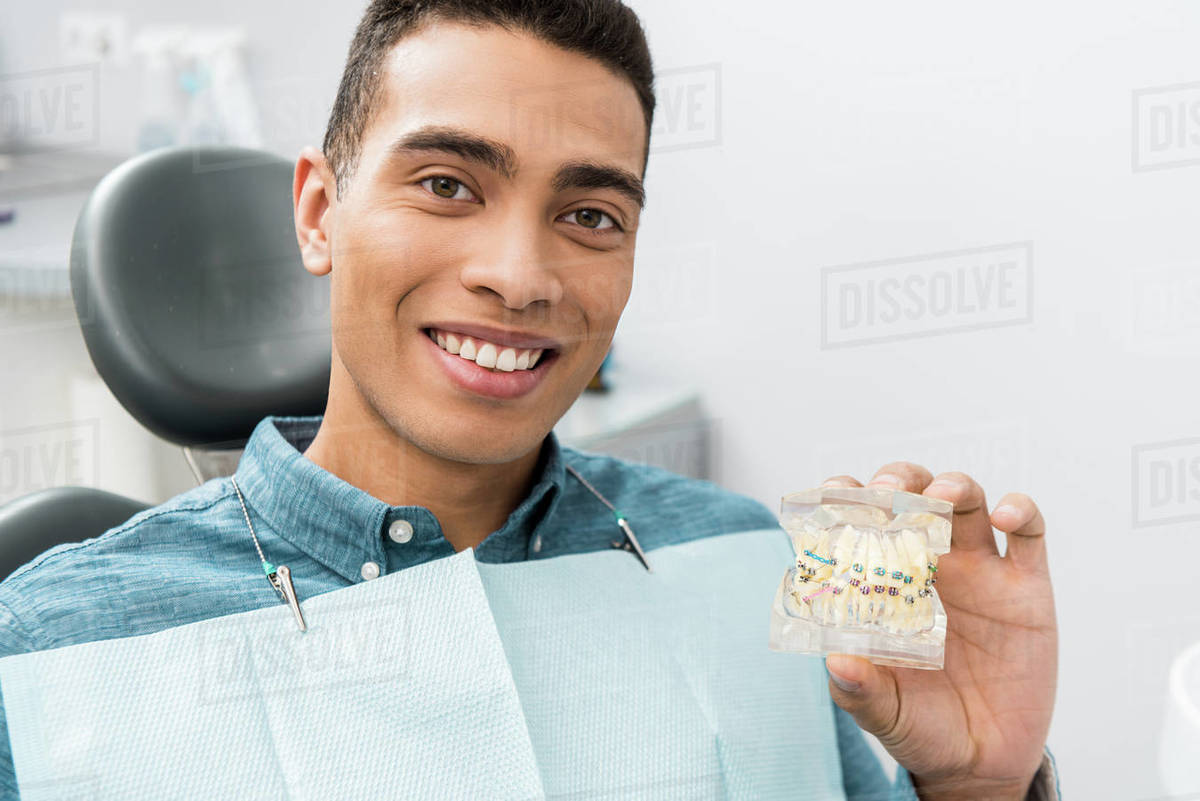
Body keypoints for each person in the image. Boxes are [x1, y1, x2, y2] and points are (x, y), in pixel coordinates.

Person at [0, 1, 1059, 798]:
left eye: (590, 213)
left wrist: (981, 790)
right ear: (321, 213)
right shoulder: (45, 649)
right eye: (448, 184)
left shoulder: (741, 556)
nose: (521, 274)